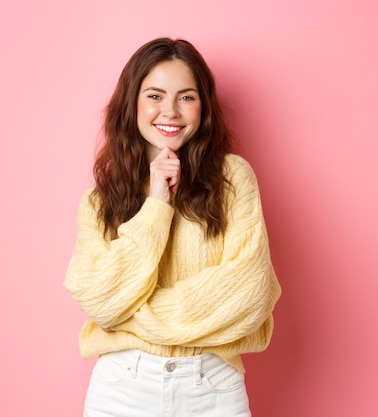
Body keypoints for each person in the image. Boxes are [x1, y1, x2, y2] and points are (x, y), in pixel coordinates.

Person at [64, 37, 281, 417]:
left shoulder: (233, 179)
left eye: (186, 97)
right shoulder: (99, 201)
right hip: (121, 391)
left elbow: (249, 294)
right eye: (154, 96)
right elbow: (99, 300)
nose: (171, 111)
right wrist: (157, 206)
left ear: (203, 106)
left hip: (212, 390)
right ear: (131, 103)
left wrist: (130, 315)